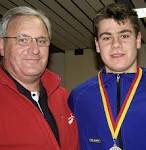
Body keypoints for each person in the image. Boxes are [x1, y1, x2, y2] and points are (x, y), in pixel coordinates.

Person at [68, 2, 146, 150]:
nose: (116, 44)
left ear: (137, 40)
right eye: (106, 37)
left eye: (124, 35)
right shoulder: (78, 97)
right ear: (97, 45)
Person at [0, 6, 79, 150]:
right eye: (23, 40)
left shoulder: (64, 97)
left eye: (41, 41)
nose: (35, 49)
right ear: (1, 45)